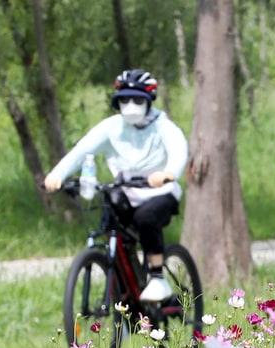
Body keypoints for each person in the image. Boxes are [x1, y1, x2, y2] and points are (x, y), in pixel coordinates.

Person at [43, 69, 187, 302]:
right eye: (124, 100)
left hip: (160, 191)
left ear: (149, 101)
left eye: (137, 100)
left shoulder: (162, 126)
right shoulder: (112, 127)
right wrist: (57, 175)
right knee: (111, 225)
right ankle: (127, 296)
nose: (130, 106)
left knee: (146, 219)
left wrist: (168, 173)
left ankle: (158, 277)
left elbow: (179, 150)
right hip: (126, 191)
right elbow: (81, 151)